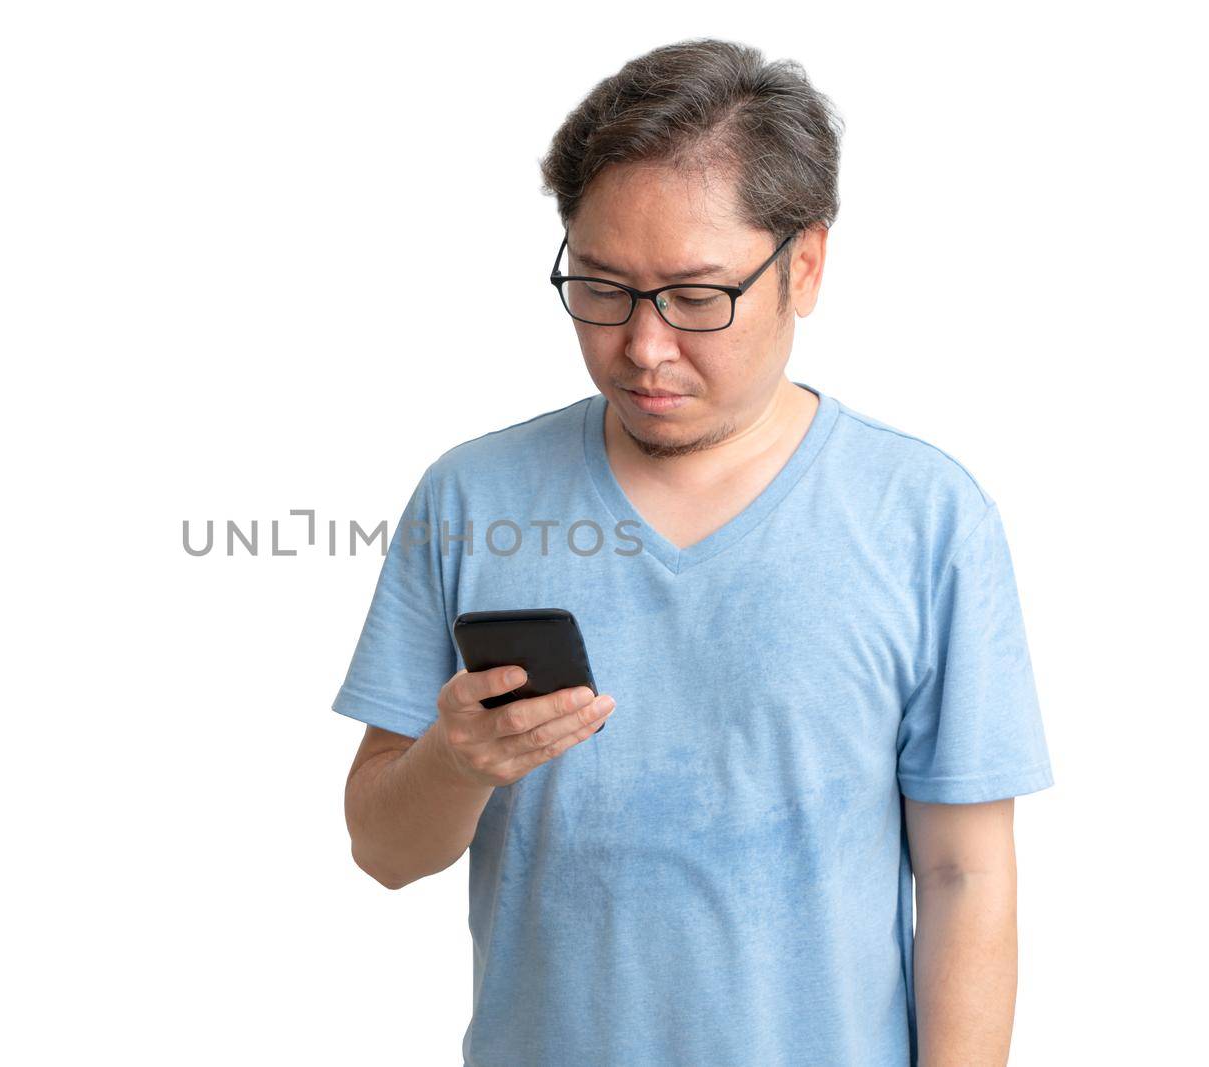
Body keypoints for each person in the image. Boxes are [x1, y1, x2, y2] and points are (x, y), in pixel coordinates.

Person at [332, 37, 1052, 1067]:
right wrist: (454, 760)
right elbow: (381, 850)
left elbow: (965, 876)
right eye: (601, 287)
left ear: (802, 264)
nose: (643, 344)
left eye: (695, 294)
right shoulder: (473, 496)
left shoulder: (924, 515)